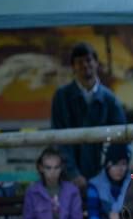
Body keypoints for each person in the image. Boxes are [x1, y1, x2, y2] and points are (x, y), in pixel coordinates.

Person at [51, 42, 127, 190]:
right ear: (73, 67)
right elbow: (58, 138)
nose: (85, 65)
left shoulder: (110, 99)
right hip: (68, 178)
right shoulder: (61, 97)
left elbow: (120, 138)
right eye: (79, 62)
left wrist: (106, 173)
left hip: (103, 179)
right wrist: (73, 173)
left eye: (89, 60)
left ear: (96, 63)